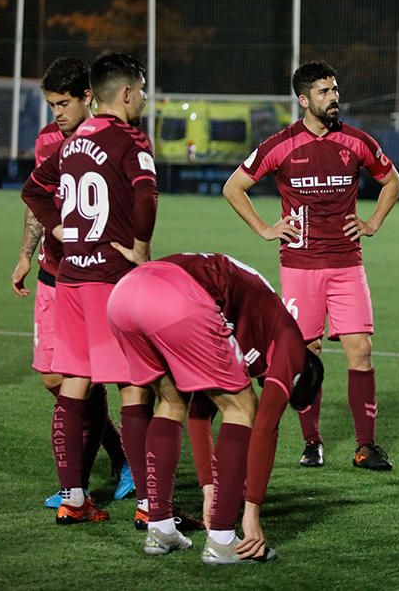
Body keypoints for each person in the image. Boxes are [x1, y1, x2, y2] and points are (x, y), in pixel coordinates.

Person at [223, 60, 399, 471]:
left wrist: (372, 222)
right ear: (303, 100)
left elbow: (392, 181)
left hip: (346, 264)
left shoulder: (356, 142)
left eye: (335, 89)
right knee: (305, 354)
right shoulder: (281, 144)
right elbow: (234, 187)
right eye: (323, 92)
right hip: (300, 266)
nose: (333, 97)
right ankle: (312, 442)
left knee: (361, 350)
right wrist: (265, 229)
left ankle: (366, 446)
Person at [107, 252, 323, 562]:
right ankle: (223, 540)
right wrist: (252, 511)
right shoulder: (290, 341)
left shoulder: (253, 319)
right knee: (243, 405)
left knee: (170, 401)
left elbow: (200, 413)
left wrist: (209, 487)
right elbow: (265, 426)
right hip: (175, 296)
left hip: (125, 294)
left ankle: (161, 527)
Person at [21, 52, 158, 525]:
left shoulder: (74, 142)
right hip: (109, 281)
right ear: (125, 94)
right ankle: (148, 505)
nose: (143, 98)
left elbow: (34, 190)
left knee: (73, 383)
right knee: (136, 385)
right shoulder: (129, 138)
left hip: (71, 279)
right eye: (140, 90)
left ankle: (72, 498)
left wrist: (61, 231)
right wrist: (140, 247)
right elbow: (145, 194)